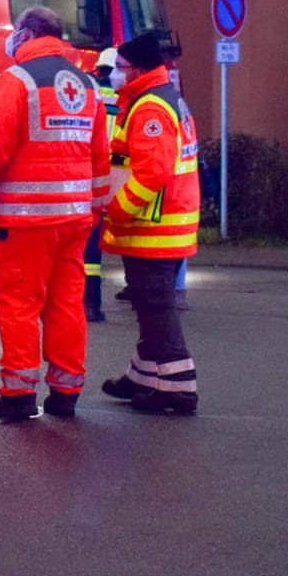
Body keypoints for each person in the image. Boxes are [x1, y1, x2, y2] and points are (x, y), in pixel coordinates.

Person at [0, 7, 110, 420]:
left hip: (25, 220)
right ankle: (65, 391)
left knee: (19, 303)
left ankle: (18, 393)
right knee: (66, 304)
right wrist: (94, 210)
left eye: (14, 31)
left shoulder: (16, 82)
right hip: (74, 219)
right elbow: (100, 156)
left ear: (27, 34)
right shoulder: (87, 84)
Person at [99, 33, 201, 414]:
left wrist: (118, 208)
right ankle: (143, 376)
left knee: (156, 304)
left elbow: (152, 172)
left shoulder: (150, 107)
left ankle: (177, 387)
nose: (115, 75)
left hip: (152, 225)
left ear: (138, 69)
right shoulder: (154, 97)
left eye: (120, 69)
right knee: (146, 301)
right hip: (160, 222)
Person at [83, 47, 122, 323]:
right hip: (117, 173)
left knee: (89, 246)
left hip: (89, 172)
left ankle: (90, 304)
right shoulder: (128, 96)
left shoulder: (90, 90)